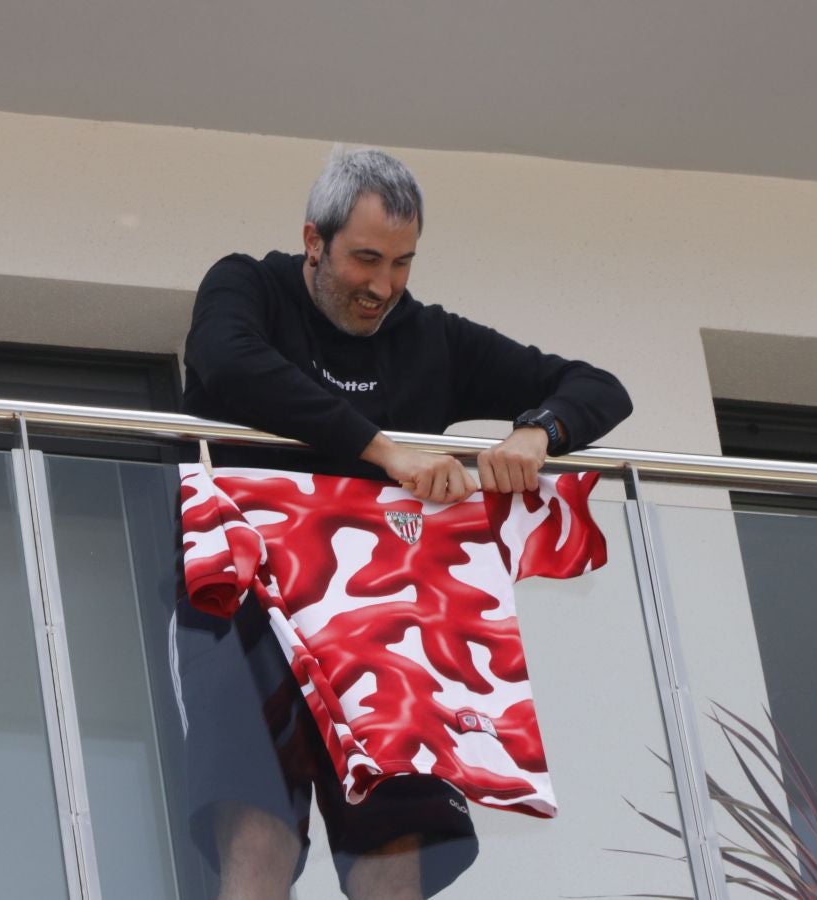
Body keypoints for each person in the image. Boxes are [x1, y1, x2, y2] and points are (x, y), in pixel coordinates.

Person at [176, 147, 632, 900]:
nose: (382, 286)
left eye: (402, 263)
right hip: (244, 597)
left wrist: (537, 432)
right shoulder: (248, 285)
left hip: (389, 620)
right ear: (314, 241)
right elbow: (226, 362)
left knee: (394, 848)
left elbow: (597, 386)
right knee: (258, 832)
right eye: (365, 259)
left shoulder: (430, 337)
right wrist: (385, 450)